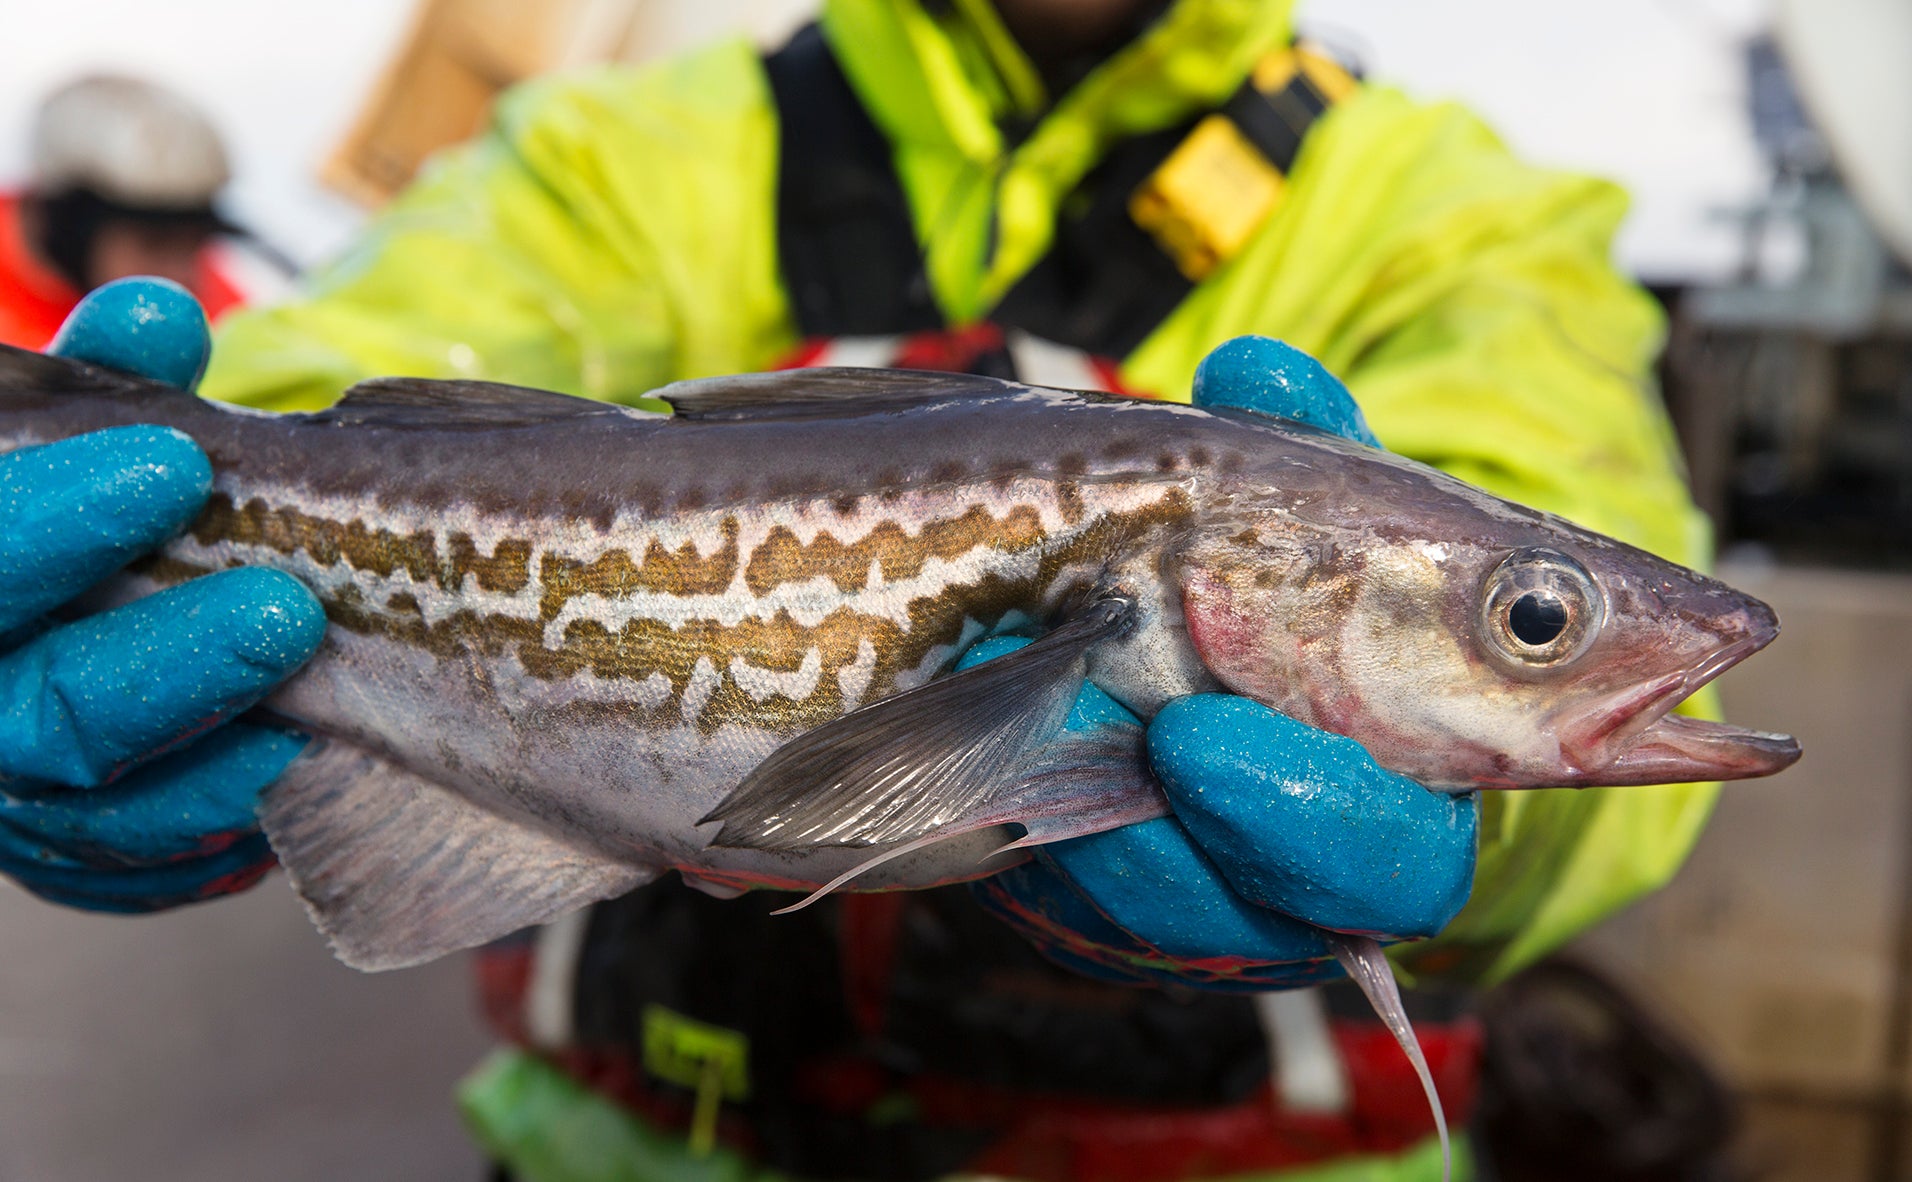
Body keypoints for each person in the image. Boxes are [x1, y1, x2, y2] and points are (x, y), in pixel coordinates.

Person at [0, 1, 1725, 1178]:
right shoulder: (632, 156)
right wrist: (84, 571)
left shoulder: (1450, 212)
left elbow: (1617, 621)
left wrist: (1493, 836)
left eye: (1524, 618)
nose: (1537, 639)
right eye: (1534, 619)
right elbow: (345, 366)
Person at [0, 75, 249, 350]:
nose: (183, 276)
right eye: (156, 243)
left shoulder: (216, 316)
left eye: (195, 245)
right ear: (67, 228)